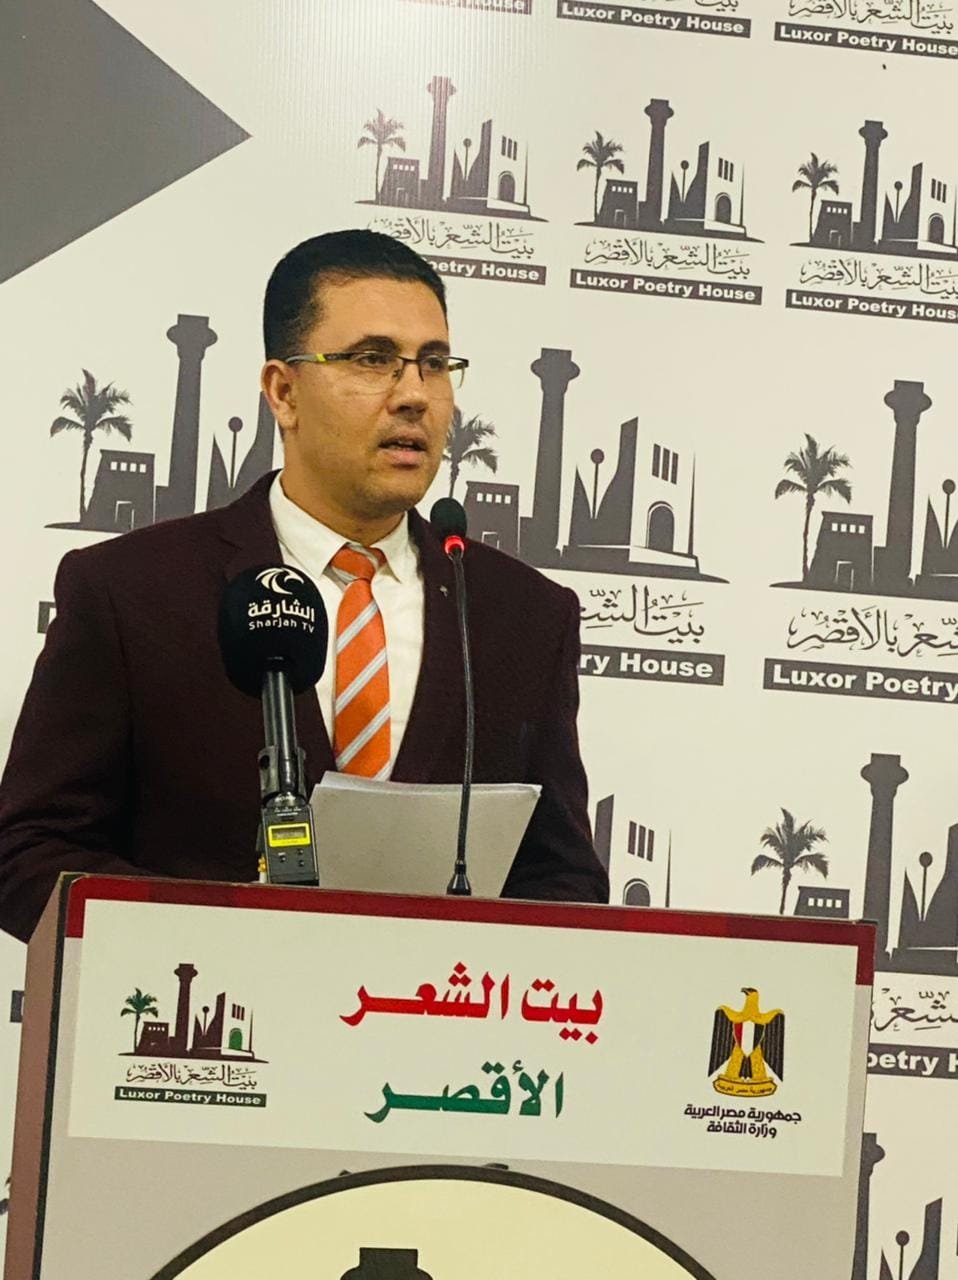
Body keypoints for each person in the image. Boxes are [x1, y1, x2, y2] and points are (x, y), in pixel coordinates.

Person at [0, 230, 608, 942]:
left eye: (435, 364)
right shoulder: (131, 591)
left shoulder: (523, 615)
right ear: (283, 392)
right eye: (373, 360)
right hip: (199, 1002)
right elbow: (30, 849)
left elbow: (562, 877)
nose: (414, 396)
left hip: (427, 1007)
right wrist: (201, 945)